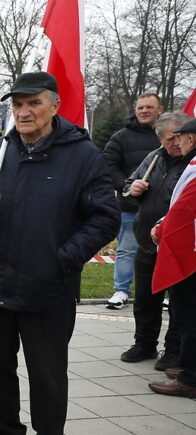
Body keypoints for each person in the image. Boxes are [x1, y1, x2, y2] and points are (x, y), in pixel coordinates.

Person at [0, 72, 118, 435]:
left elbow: (104, 217)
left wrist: (63, 259)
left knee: (47, 375)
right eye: (17, 104)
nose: (23, 111)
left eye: (33, 103)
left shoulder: (82, 156)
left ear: (54, 106)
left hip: (48, 289)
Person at [117, 112, 190, 372]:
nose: (179, 142)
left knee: (179, 302)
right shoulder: (154, 158)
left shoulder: (192, 163)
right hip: (147, 241)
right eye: (172, 138)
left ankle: (174, 350)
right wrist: (132, 189)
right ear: (160, 139)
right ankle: (144, 343)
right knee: (146, 298)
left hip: (177, 245)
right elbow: (127, 188)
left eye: (183, 136)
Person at [147, 118, 196, 399]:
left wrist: (161, 229)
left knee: (188, 315)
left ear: (192, 139)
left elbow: (184, 210)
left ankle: (190, 376)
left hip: (190, 251)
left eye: (183, 137)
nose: (179, 143)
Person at [102, 93, 165, 310]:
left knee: (164, 250)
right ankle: (121, 291)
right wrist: (126, 186)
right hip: (130, 206)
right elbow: (108, 164)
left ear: (160, 110)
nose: (144, 111)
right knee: (127, 249)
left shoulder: (168, 136)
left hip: (164, 208)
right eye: (140, 108)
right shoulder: (121, 137)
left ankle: (160, 292)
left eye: (149, 107)